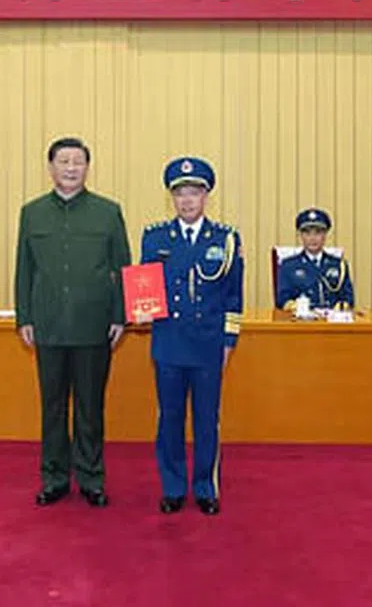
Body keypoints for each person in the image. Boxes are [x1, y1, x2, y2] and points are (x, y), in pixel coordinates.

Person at [14, 136, 131, 508]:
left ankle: (92, 478)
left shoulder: (107, 212)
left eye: (77, 161)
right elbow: (24, 269)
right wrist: (24, 316)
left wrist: (120, 315)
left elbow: (123, 267)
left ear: (87, 167)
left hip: (94, 325)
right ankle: (54, 478)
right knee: (52, 407)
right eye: (63, 161)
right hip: (48, 324)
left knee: (90, 407)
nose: (70, 168)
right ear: (50, 167)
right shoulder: (32, 213)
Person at [140, 157, 243, 516]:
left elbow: (233, 296)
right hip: (169, 343)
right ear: (172, 197)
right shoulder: (155, 237)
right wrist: (139, 310)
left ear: (206, 196)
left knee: (206, 419)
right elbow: (145, 288)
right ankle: (172, 487)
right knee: (169, 418)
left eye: (194, 192)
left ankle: (205, 486)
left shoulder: (226, 239)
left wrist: (229, 342)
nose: (187, 200)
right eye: (180, 193)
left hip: (207, 344)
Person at [275, 208, 354, 311]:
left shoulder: (339, 265)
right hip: (301, 319)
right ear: (301, 236)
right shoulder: (288, 266)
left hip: (332, 319)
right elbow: (282, 299)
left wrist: (341, 306)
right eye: (307, 233)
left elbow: (348, 298)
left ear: (325, 235)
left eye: (318, 233)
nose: (312, 238)